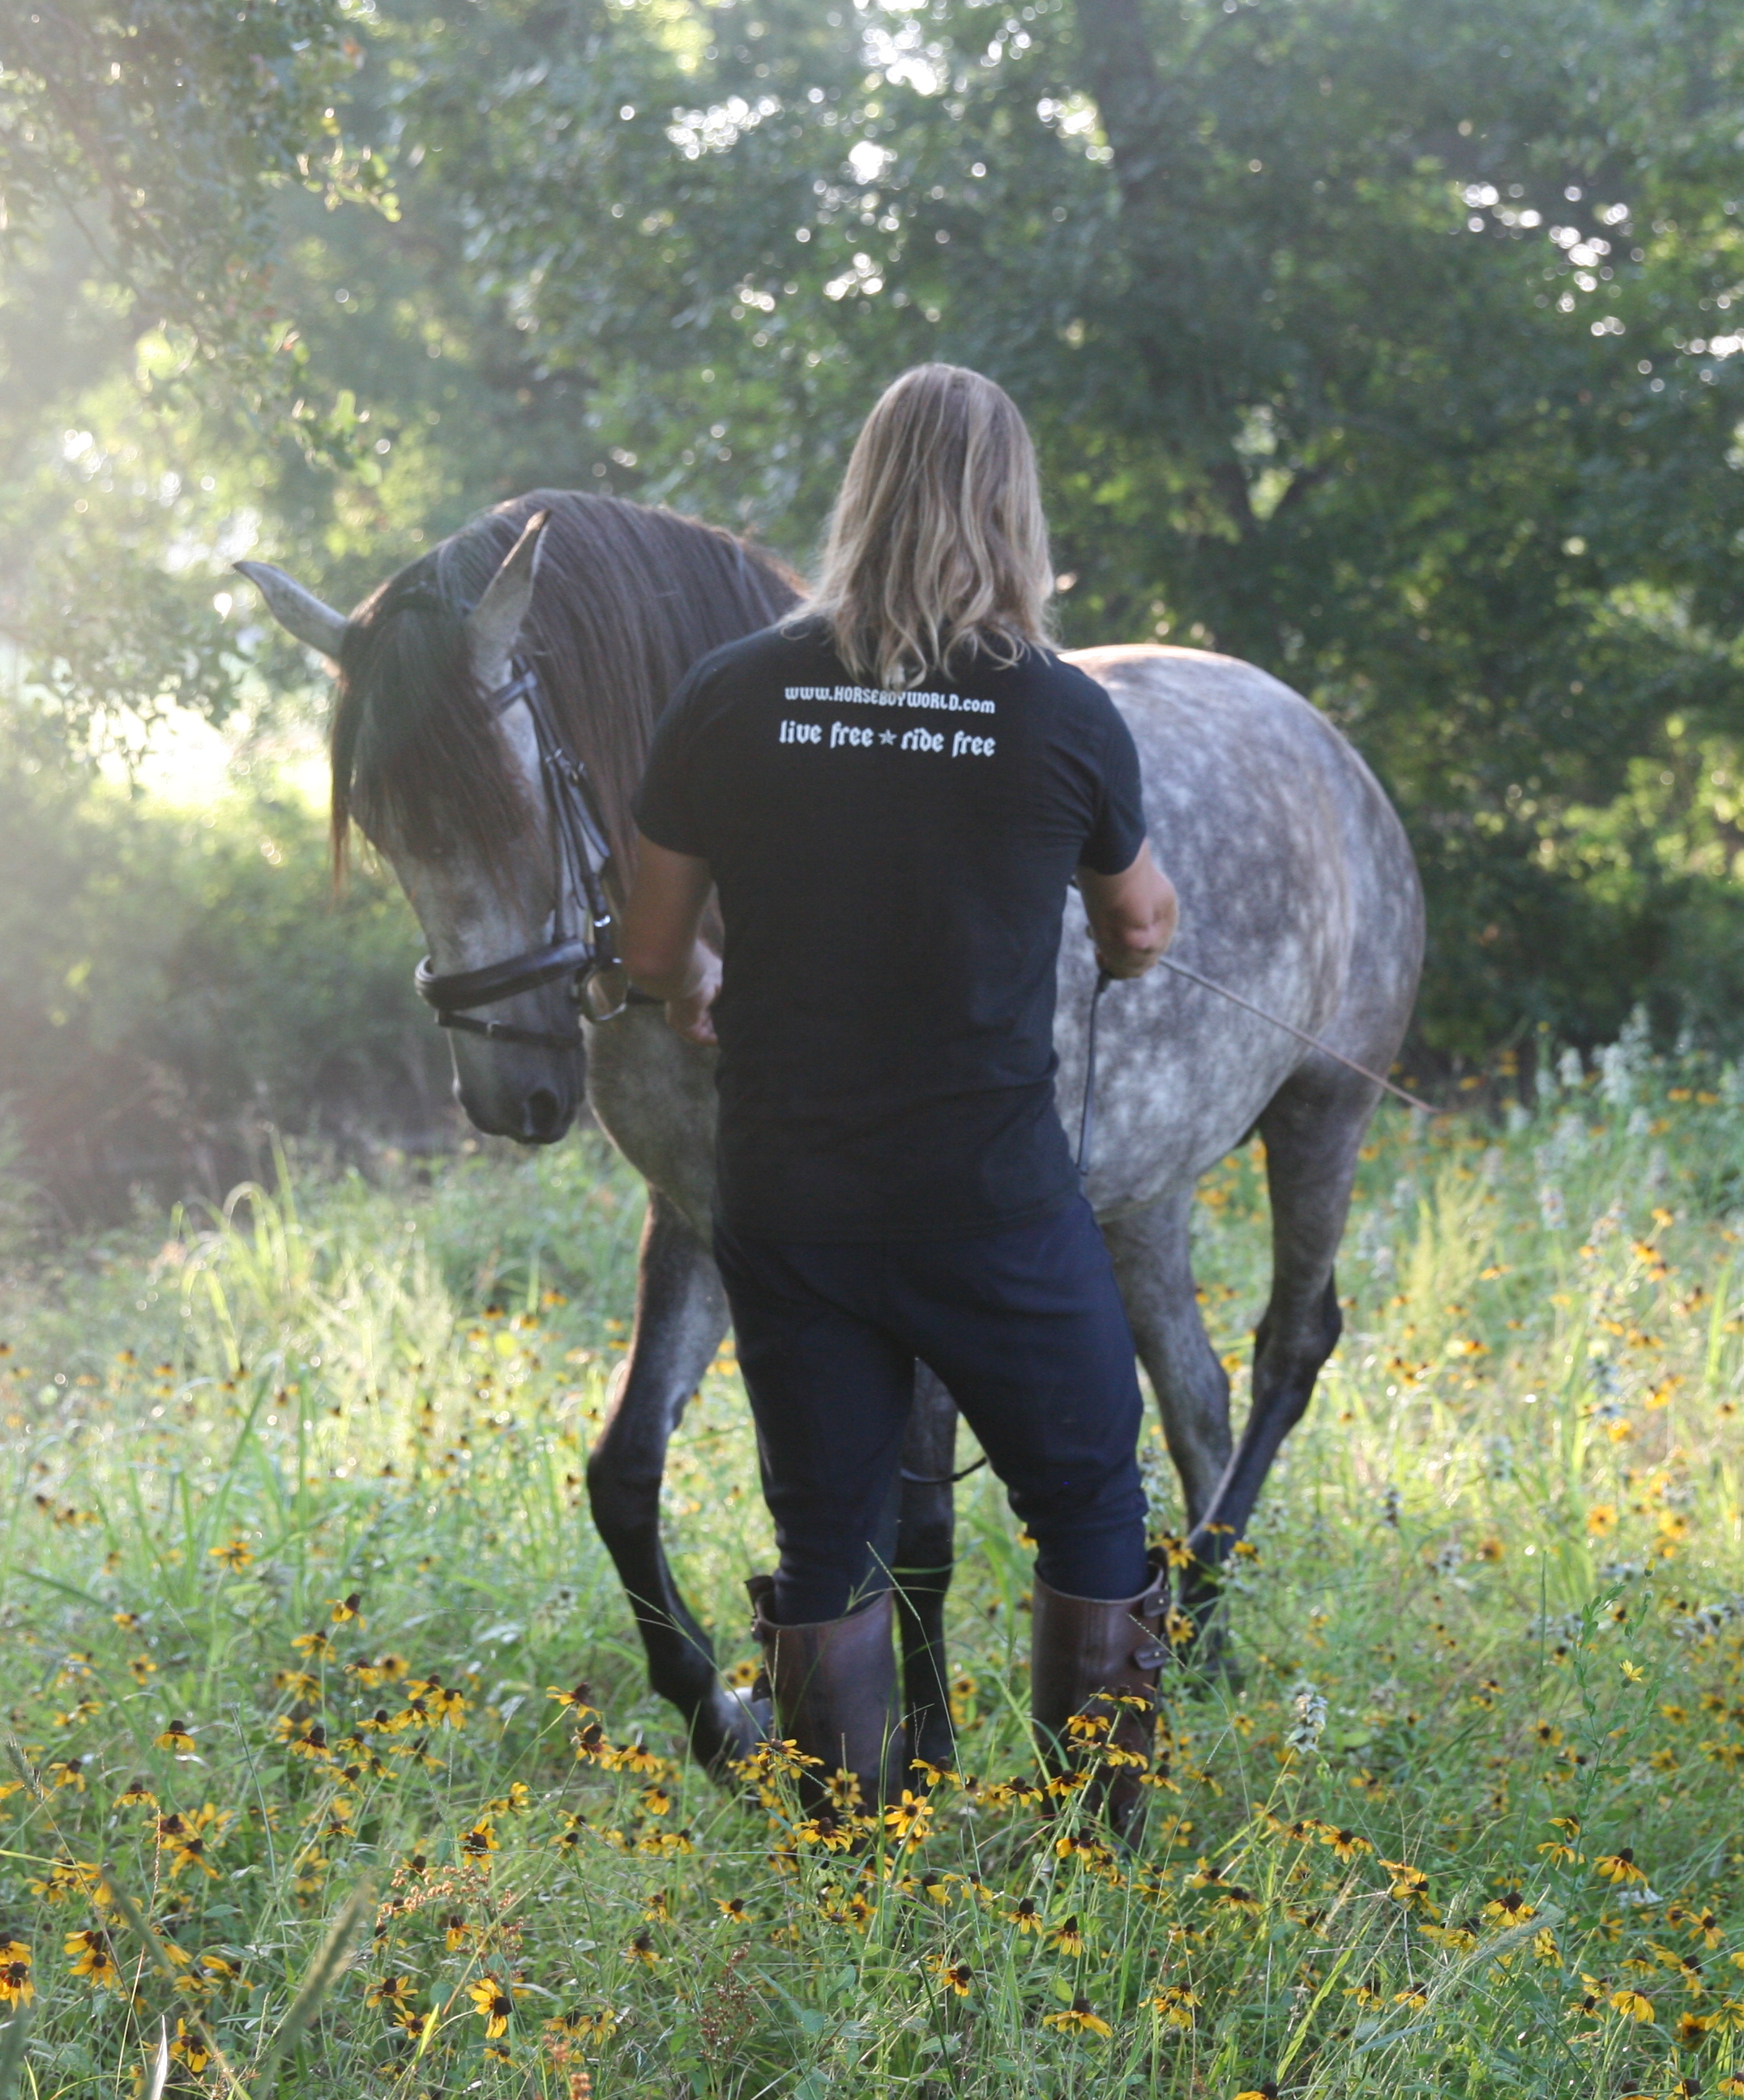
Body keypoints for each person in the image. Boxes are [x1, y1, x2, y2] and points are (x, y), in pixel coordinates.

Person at [618, 363, 1180, 1842]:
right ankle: (1094, 1857)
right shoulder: (1062, 714)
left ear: (860, 492)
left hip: (792, 1201)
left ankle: (852, 1863)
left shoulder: (729, 694)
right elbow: (1137, 927)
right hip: (989, 1203)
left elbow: (651, 952)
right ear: (1013, 507)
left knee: (828, 1533)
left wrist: (694, 990)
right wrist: (1118, 922)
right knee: (1091, 1505)